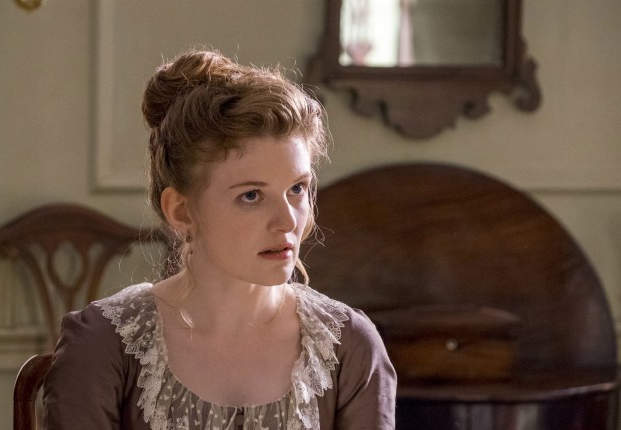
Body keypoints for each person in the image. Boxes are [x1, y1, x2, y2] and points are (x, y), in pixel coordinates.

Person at [42, 49, 396, 430]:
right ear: (181, 211)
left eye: (297, 189)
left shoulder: (350, 348)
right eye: (251, 195)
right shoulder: (103, 344)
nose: (288, 221)